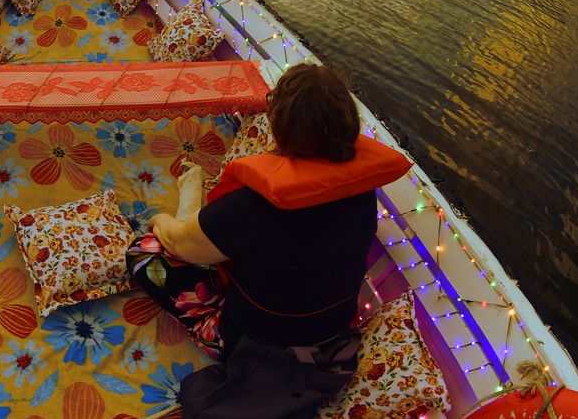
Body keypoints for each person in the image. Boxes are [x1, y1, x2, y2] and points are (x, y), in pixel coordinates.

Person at [127, 62, 411, 358]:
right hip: (331, 329)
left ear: (280, 127)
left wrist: (159, 220)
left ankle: (217, 337)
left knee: (143, 253)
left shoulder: (254, 205)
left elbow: (182, 245)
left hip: (258, 341)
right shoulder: (360, 188)